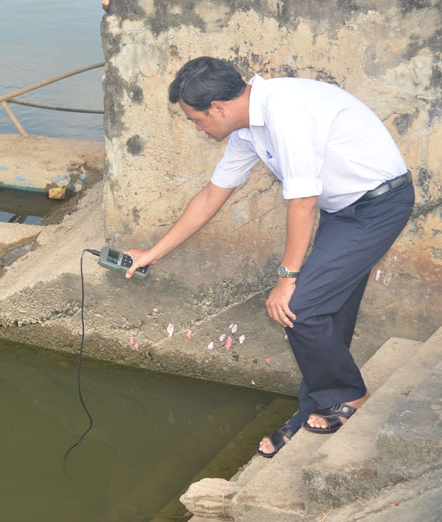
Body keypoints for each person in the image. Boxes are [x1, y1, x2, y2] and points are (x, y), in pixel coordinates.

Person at [123, 56, 414, 457]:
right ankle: (316, 408)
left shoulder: (285, 110)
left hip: (378, 205)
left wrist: (286, 278)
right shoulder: (249, 130)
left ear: (219, 108)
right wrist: (152, 253)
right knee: (327, 311)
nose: (198, 127)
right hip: (344, 210)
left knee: (301, 308)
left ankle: (351, 397)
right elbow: (212, 195)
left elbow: (303, 203)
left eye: (196, 120)